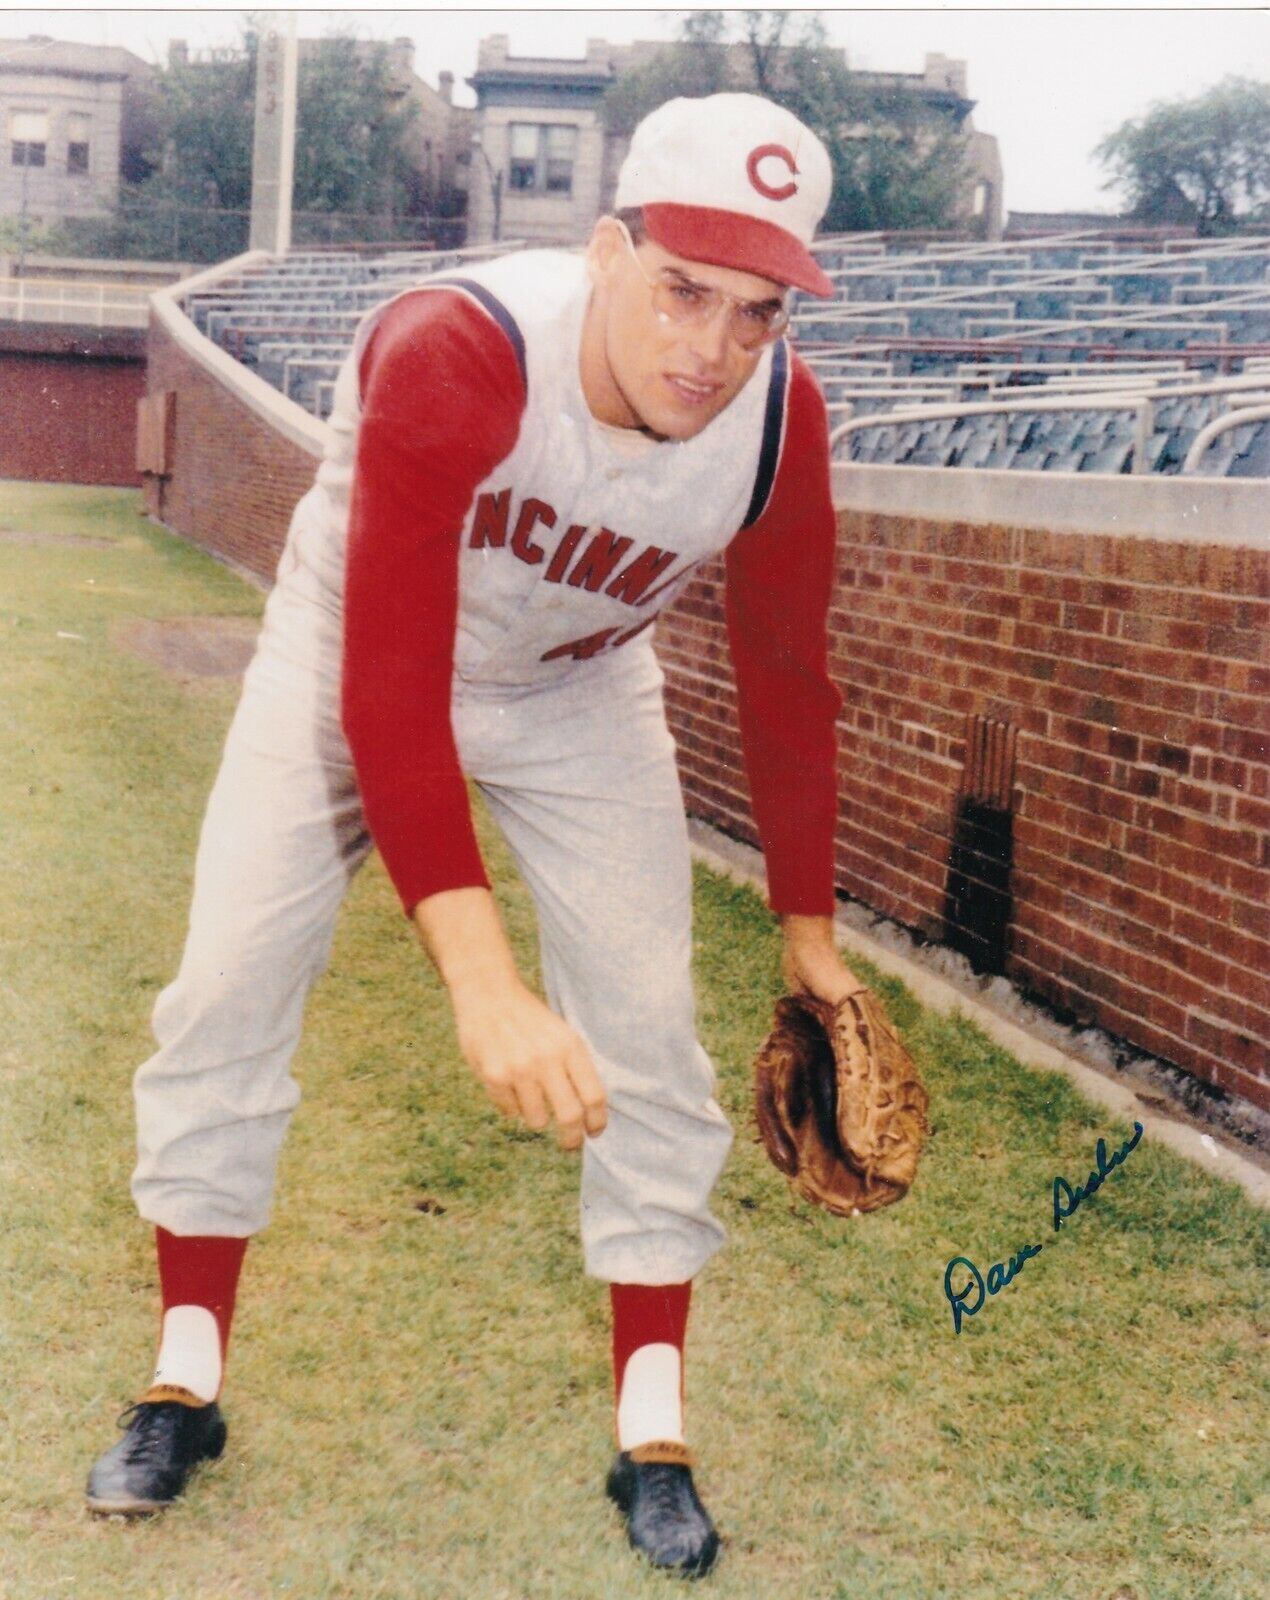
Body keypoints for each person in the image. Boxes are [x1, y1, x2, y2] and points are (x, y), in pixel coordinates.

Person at [85, 92, 861, 1579]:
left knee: (647, 1041)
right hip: (352, 659)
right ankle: (184, 1376)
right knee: (228, 992)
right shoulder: (459, 342)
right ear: (604, 250)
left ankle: (653, 1427)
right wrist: (481, 981)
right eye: (681, 288)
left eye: (755, 311)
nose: (709, 348)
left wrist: (810, 938)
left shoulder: (779, 423)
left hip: (578, 692)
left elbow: (785, 673)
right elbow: (389, 693)